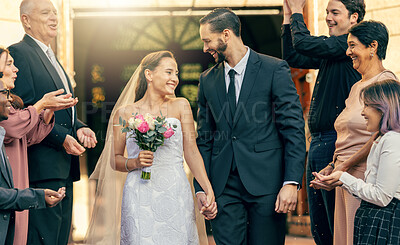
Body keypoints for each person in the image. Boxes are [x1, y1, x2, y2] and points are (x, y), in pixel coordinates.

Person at [195, 8, 306, 244]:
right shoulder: (206, 80)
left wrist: (291, 182)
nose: (205, 48)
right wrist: (201, 187)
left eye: (207, 40)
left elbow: (293, 128)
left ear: (226, 34)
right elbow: (204, 139)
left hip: (267, 185)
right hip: (223, 187)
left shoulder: (274, 69)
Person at [86, 50, 217, 244]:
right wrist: (134, 162)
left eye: (177, 73)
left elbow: (191, 151)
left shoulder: (181, 106)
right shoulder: (124, 113)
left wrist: (207, 188)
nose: (175, 79)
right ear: (149, 74)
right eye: (169, 72)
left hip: (175, 190)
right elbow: (114, 159)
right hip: (139, 192)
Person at [8, 0, 97, 244]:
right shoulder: (20, 53)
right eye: (46, 13)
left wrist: (80, 127)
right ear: (26, 20)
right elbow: (24, 109)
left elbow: (61, 108)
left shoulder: (51, 56)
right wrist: (61, 138)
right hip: (41, 168)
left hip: (64, 168)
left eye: (55, 13)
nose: (54, 18)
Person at [282, 0, 365, 244]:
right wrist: (288, 18)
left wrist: (298, 11)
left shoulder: (348, 44)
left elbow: (305, 42)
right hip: (319, 141)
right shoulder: (333, 49)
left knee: (333, 223)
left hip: (335, 143)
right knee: (320, 225)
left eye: (334, 12)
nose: (328, 17)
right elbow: (292, 54)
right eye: (327, 12)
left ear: (354, 18)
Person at [311, 20, 398, 245]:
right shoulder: (356, 86)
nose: (347, 51)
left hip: (363, 177)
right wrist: (333, 166)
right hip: (345, 176)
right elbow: (345, 136)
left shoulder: (385, 84)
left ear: (373, 47)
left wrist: (345, 167)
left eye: (352, 45)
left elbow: (380, 136)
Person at [0, 47, 77, 245]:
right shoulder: (3, 109)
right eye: (9, 64)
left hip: (19, 183)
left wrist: (50, 110)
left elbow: (31, 135)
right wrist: (42, 103)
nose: (16, 69)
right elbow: (13, 127)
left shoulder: (11, 103)